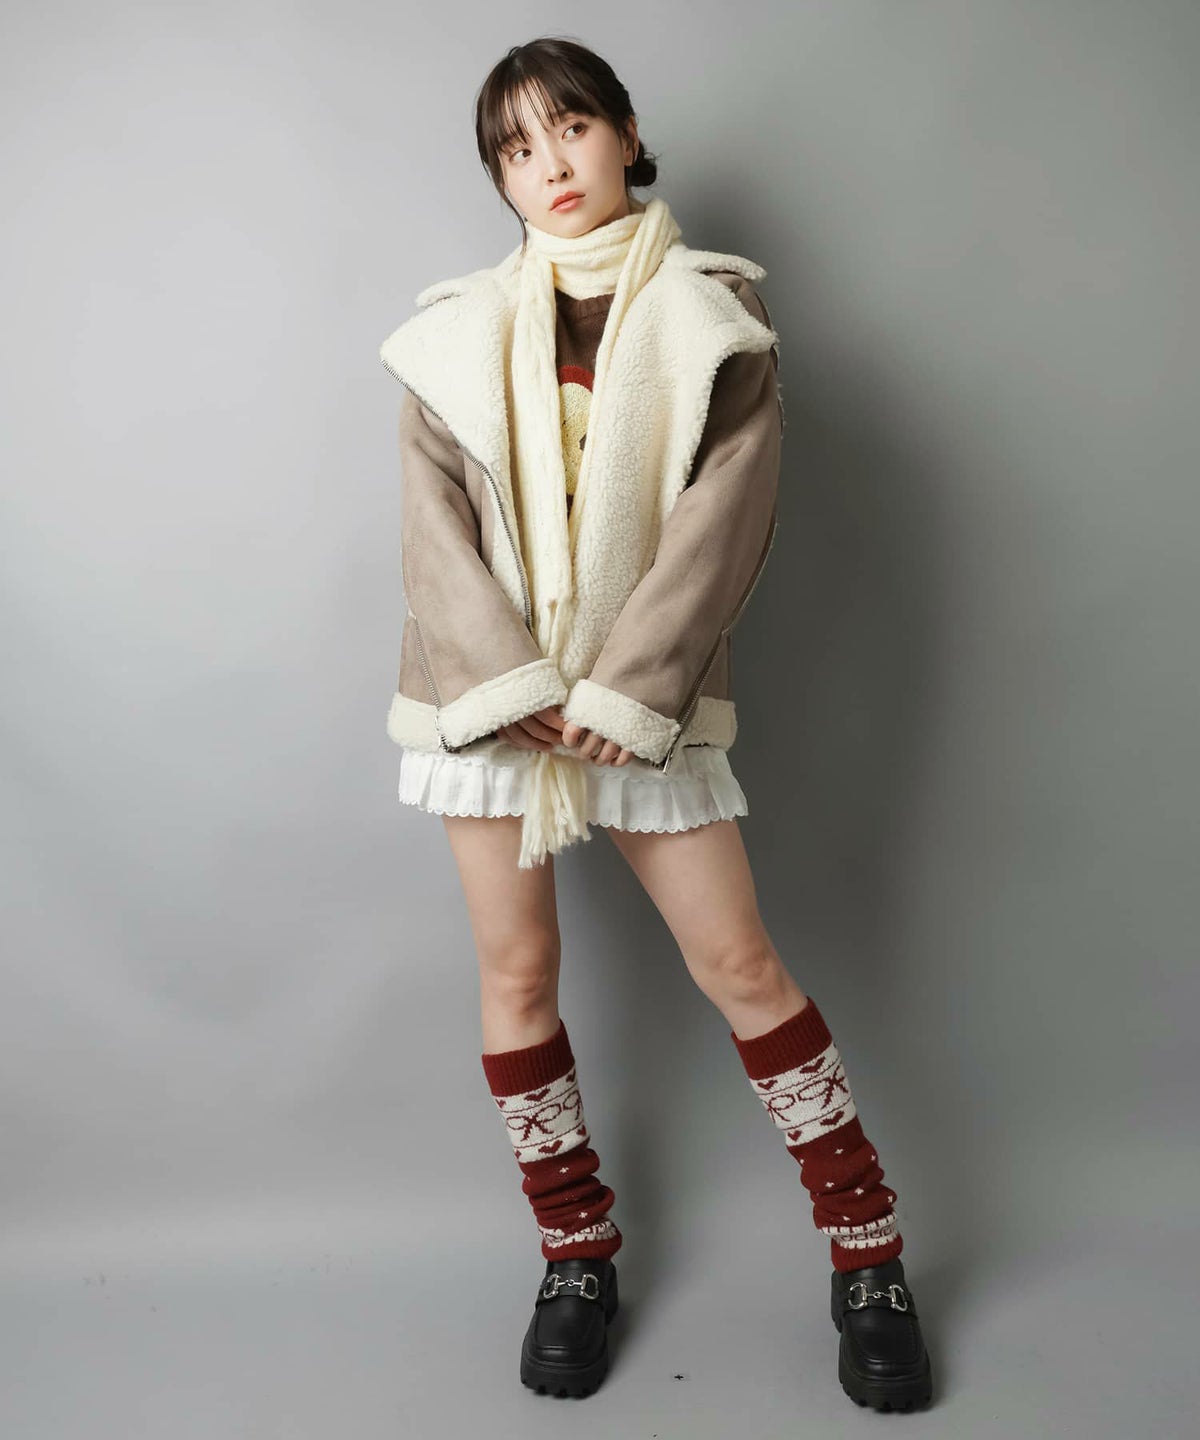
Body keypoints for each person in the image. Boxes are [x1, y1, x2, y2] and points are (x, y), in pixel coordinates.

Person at [378, 36, 933, 1411]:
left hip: (645, 707)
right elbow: (431, 535)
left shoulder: (712, 316)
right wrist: (513, 688)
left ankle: (867, 1252)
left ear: (625, 132)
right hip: (492, 709)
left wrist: (628, 694)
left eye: (570, 127)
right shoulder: (452, 331)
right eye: (516, 148)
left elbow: (724, 523)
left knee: (740, 963)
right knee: (516, 978)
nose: (549, 165)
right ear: (499, 178)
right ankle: (576, 1254)